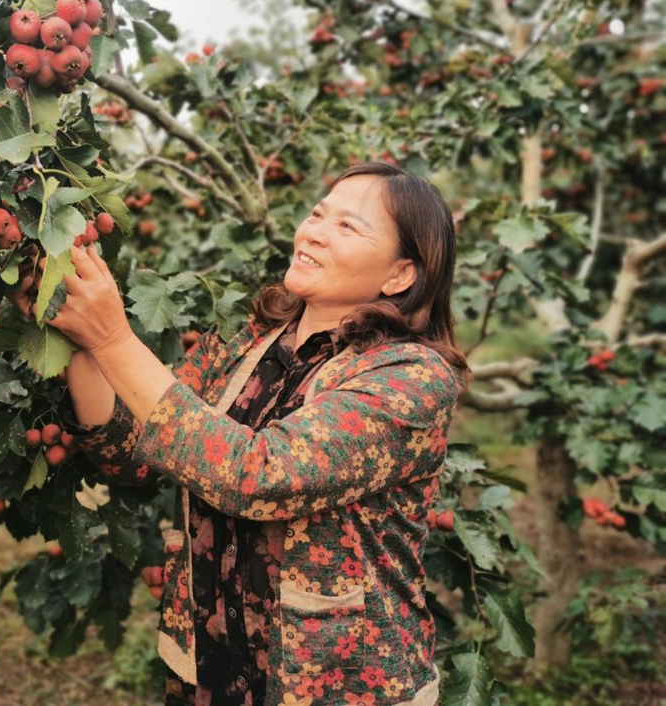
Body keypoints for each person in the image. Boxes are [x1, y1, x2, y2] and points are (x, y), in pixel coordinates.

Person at [47, 161, 472, 706]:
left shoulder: (411, 377)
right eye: (318, 214)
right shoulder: (245, 342)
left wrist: (112, 338)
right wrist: (82, 338)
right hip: (213, 671)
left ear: (399, 276)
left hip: (340, 688)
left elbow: (259, 476)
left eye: (347, 226)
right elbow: (132, 453)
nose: (313, 231)